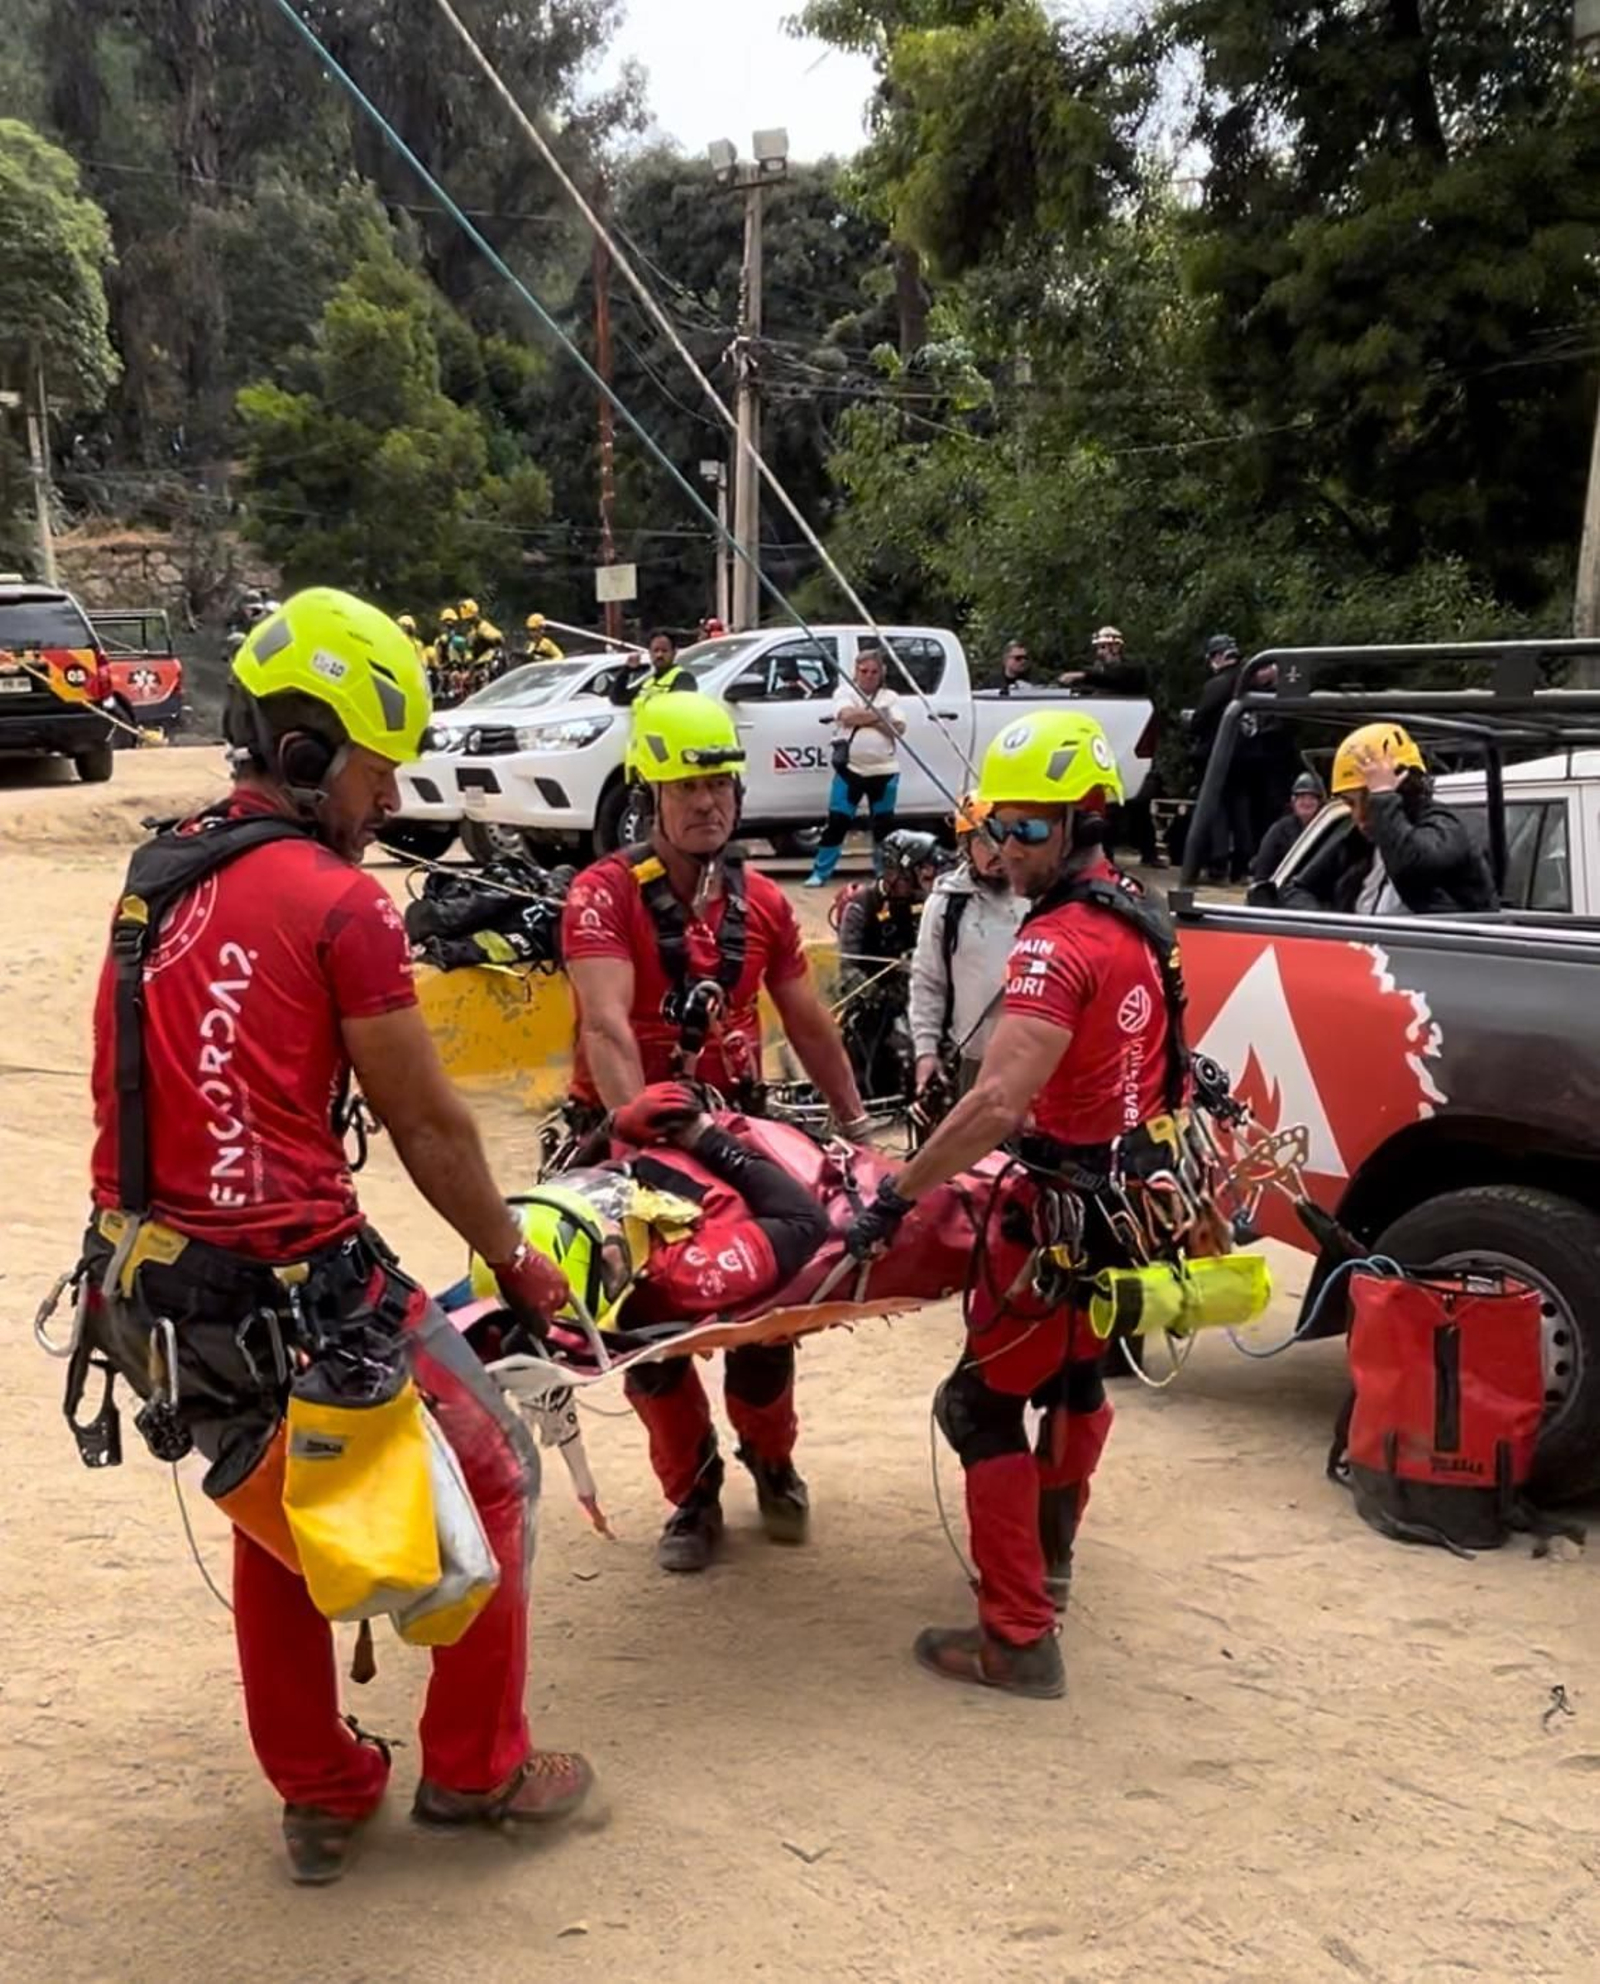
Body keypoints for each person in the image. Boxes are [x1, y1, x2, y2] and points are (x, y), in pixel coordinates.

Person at [80, 590, 592, 1882]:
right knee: (497, 1469)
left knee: (286, 1505)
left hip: (157, 1306)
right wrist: (521, 1267)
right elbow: (429, 1131)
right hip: (302, 1291)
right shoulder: (338, 904)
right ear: (311, 756)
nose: (385, 804)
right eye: (375, 773)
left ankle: (320, 1791)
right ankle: (478, 1773)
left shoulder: (153, 881)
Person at [842, 709, 1186, 1699]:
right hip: (1129, 1201)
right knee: (1077, 1382)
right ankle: (1054, 1556)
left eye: (1030, 829)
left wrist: (897, 1197)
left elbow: (996, 1101)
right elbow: (1166, 1074)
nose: (1009, 850)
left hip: (1060, 1211)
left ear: (1083, 818)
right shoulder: (1140, 915)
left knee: (976, 1405)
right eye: (1002, 827)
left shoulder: (1057, 945)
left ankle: (1017, 1633)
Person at [560, 691, 869, 1571]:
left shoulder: (763, 904)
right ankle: (692, 1498)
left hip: (736, 1136)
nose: (708, 803)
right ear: (650, 794)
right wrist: (637, 1144)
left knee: (766, 1326)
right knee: (650, 1339)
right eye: (687, 786)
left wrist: (854, 1128)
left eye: (721, 784)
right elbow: (606, 1023)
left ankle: (772, 1463)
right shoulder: (601, 896)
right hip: (626, 1140)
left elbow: (808, 1022)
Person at [1283, 723, 1497, 916]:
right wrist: (1333, 930)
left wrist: (1383, 798)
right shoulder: (1357, 844)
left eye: (1369, 802)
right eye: (1350, 804)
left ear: (1403, 793)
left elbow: (1411, 866)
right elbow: (1296, 890)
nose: (1360, 817)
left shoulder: (1445, 827)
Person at [909, 797, 1029, 1105]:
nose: (997, 851)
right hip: (975, 1060)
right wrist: (926, 1050)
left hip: (1037, 1059)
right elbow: (927, 981)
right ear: (965, 845)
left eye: (1003, 838)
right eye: (984, 842)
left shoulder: (1043, 897)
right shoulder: (946, 905)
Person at [835, 828, 945, 1104]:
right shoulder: (862, 905)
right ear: (894, 871)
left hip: (915, 994)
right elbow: (848, 967)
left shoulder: (926, 902)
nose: (923, 880)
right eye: (917, 873)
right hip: (875, 1001)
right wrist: (875, 992)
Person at [804, 646, 908, 887]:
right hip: (850, 770)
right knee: (837, 822)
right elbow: (846, 716)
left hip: (885, 771)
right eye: (864, 671)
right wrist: (880, 716)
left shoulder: (890, 697)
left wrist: (867, 717)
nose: (869, 676)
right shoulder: (845, 692)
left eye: (874, 671)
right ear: (856, 671)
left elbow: (899, 728)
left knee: (883, 826)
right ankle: (821, 872)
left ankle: (884, 873)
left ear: (881, 673)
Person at [1250, 771, 1324, 883]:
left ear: (1319, 802)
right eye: (1302, 797)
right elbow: (1263, 868)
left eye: (1312, 798)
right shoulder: (1279, 830)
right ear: (1293, 801)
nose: (1307, 802)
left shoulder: (1326, 828)